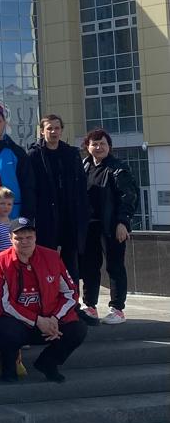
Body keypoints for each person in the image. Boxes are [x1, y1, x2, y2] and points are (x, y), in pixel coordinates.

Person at [0, 221, 87, 383]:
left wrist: (54, 318)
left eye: (29, 237)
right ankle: (9, 367)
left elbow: (70, 293)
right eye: (19, 238)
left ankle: (48, 363)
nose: (25, 242)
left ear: (35, 237)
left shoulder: (52, 257)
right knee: (5, 328)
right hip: (20, 323)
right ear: (10, 239)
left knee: (78, 328)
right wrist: (37, 320)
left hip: (50, 321)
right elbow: (1, 303)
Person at [80, 128, 139, 324]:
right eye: (94, 144)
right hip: (89, 226)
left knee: (115, 266)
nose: (98, 147)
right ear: (88, 147)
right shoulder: (84, 167)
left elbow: (128, 197)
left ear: (109, 147)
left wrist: (123, 222)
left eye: (102, 144)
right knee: (90, 267)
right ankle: (90, 306)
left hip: (112, 226)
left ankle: (117, 309)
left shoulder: (118, 168)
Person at [25, 115, 89, 283]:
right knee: (45, 261)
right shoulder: (33, 155)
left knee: (71, 265)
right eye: (49, 128)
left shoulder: (72, 154)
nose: (53, 132)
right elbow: (29, 188)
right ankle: (47, 297)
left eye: (57, 128)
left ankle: (72, 298)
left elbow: (81, 186)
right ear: (42, 131)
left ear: (61, 131)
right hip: (45, 217)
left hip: (69, 217)